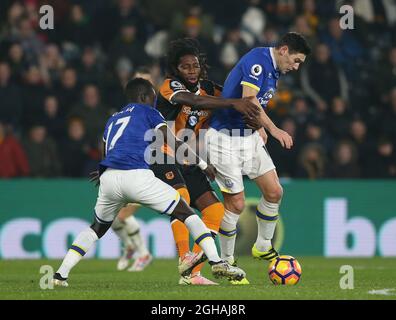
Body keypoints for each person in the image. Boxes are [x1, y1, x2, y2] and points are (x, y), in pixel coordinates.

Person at [52, 78, 246, 287]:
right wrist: (201, 163)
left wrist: (103, 172)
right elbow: (171, 141)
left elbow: (107, 150)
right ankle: (217, 262)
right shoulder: (149, 112)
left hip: (108, 178)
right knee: (186, 212)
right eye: (153, 97)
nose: (155, 101)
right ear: (144, 96)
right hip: (136, 176)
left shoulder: (113, 118)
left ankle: (60, 275)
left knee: (96, 228)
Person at [206, 32, 311, 284]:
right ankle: (227, 262)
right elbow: (249, 99)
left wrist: (260, 127)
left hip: (248, 136)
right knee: (236, 205)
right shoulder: (259, 61)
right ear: (284, 50)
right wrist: (274, 129)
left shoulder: (274, 68)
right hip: (224, 138)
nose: (295, 67)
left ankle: (262, 246)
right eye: (296, 61)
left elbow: (255, 106)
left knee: (274, 191)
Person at [153, 38, 260, 285]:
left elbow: (237, 100)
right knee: (182, 200)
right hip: (163, 152)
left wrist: (258, 120)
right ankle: (184, 258)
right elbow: (196, 102)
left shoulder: (212, 90)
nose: (191, 71)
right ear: (176, 69)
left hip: (190, 158)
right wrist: (234, 102)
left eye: (195, 66)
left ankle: (192, 273)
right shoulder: (169, 86)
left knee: (216, 210)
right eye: (185, 67)